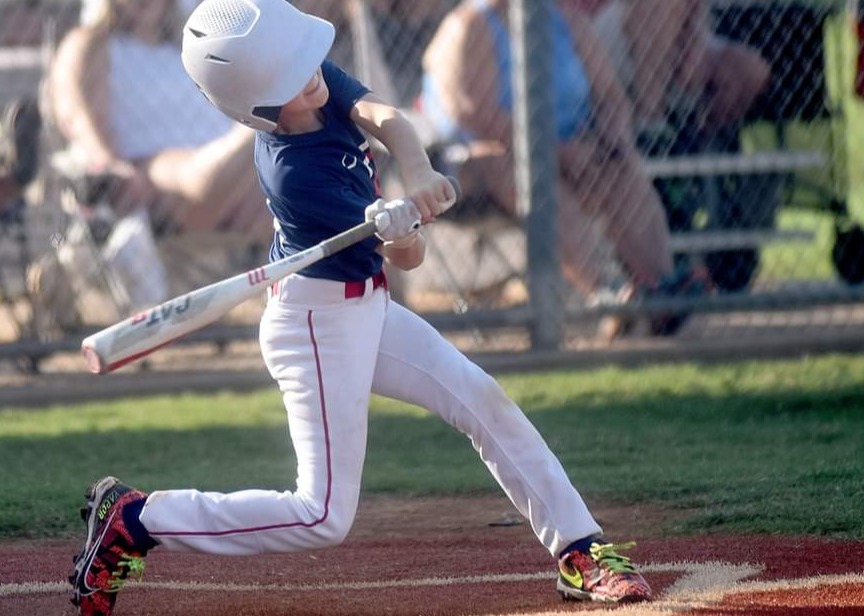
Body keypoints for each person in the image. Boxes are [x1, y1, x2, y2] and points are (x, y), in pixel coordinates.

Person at [67, 1, 653, 615]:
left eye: (304, 60)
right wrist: (401, 230)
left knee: (480, 398)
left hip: (364, 307)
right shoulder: (296, 175)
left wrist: (417, 175)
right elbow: (409, 261)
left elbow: (385, 116)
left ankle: (579, 549)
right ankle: (137, 519)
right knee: (321, 515)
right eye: (290, 76)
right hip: (317, 328)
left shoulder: (310, 82)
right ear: (259, 106)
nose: (311, 74)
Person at [421, 0, 709, 335]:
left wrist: (614, 142)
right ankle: (608, 293)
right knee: (511, 166)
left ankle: (661, 289)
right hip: (476, 166)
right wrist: (557, 152)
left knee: (620, 169)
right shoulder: (470, 24)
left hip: (567, 152)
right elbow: (476, 115)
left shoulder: (565, 20)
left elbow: (610, 95)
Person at [589, 0, 770, 138]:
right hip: (600, 36)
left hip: (679, 36)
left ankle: (699, 146)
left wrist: (695, 44)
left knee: (752, 71)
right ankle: (650, 127)